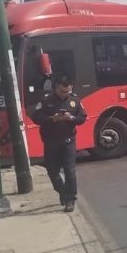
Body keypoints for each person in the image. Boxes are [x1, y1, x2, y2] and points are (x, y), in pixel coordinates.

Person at [29, 77, 87, 212]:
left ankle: (70, 199)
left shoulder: (75, 100)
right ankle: (63, 192)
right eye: (62, 91)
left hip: (68, 141)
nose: (65, 94)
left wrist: (71, 118)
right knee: (52, 172)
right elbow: (36, 117)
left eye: (68, 91)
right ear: (56, 88)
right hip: (51, 142)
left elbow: (82, 118)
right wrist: (52, 119)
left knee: (70, 171)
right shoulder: (46, 100)